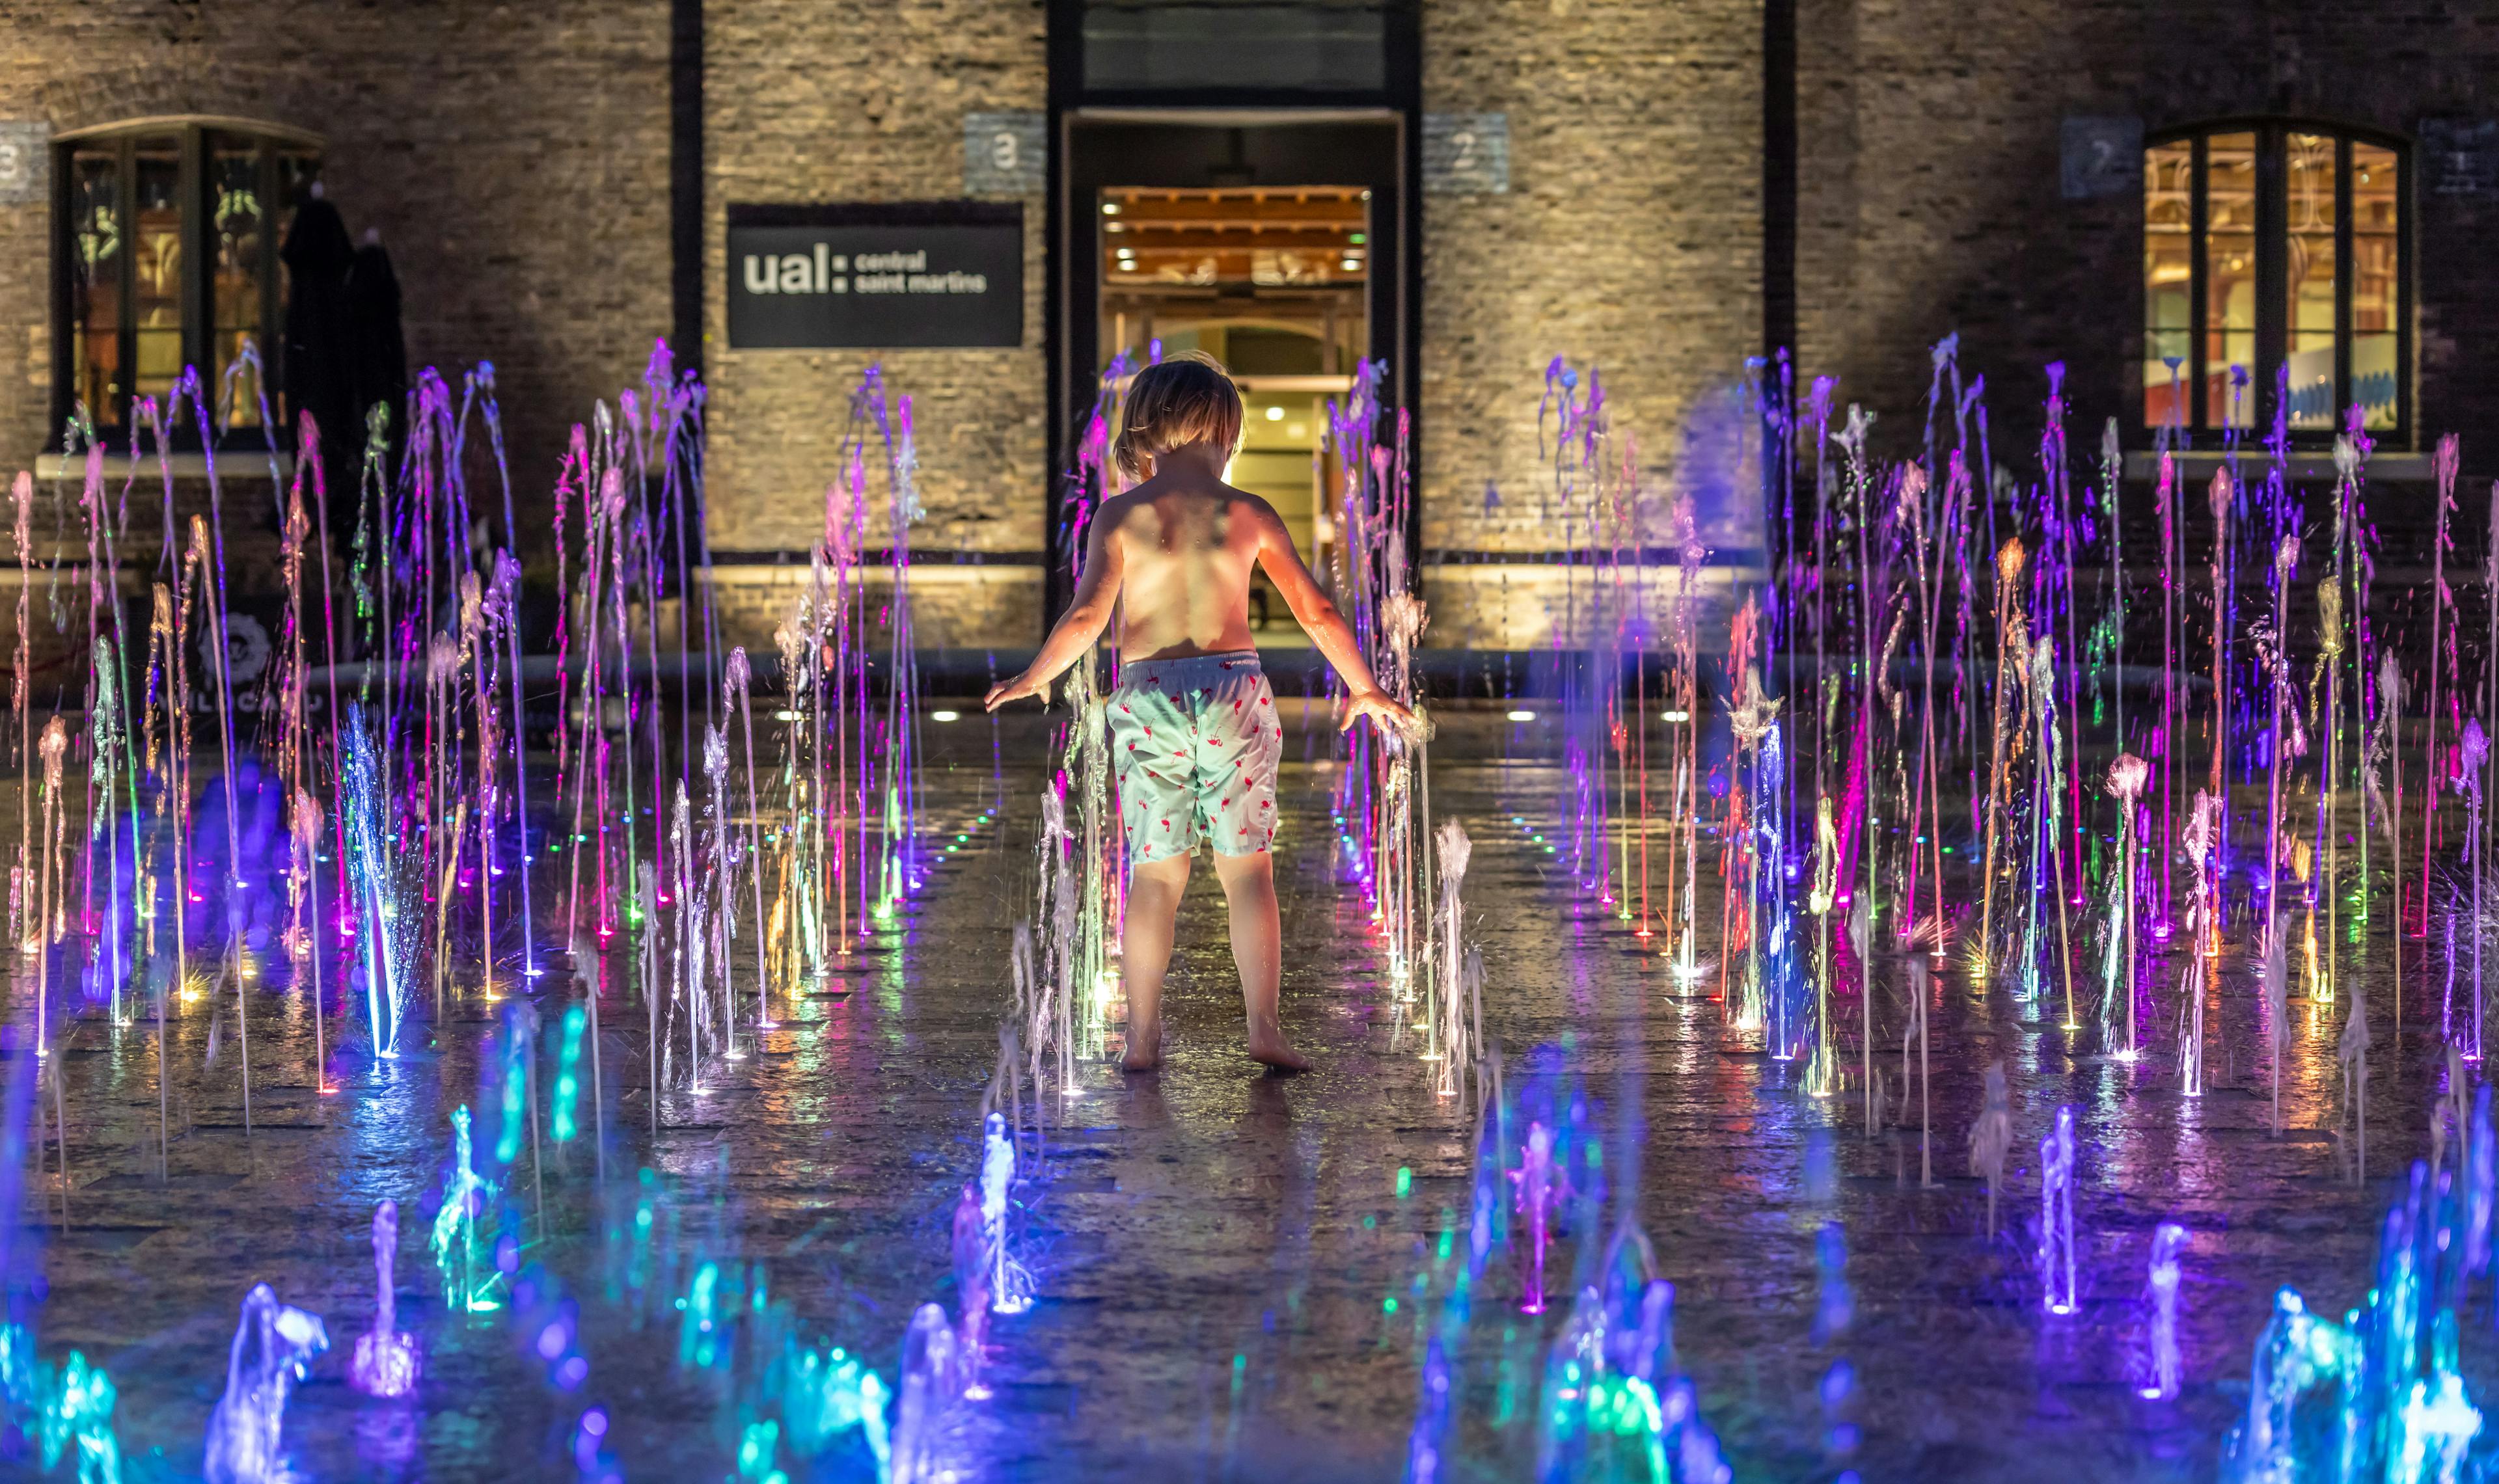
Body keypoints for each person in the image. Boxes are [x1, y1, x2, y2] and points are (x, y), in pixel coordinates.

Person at [985, 353, 1414, 1071]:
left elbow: (1089, 614)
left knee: (1156, 875)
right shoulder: (1247, 513)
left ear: (1147, 430)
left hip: (1149, 694)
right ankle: (1265, 1027)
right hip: (1232, 693)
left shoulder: (1122, 515)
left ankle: (1143, 1036)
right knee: (1247, 872)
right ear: (1223, 432)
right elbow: (1316, 610)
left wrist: (1038, 674)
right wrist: (1363, 687)